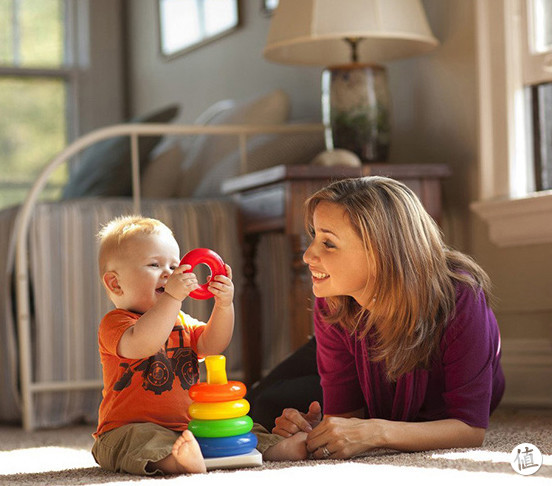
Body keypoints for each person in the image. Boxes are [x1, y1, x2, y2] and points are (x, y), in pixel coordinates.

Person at [271, 176, 505, 460]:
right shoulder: (333, 302)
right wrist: (322, 431)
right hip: (356, 344)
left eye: (328, 244)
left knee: (276, 400)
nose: (308, 255)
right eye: (314, 238)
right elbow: (346, 416)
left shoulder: (461, 299)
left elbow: (469, 429)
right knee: (266, 404)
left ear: (381, 253)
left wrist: (375, 433)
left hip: (403, 369)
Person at [91, 216, 305, 476]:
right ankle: (176, 462)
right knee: (142, 441)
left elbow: (213, 344)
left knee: (239, 428)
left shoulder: (181, 321)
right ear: (116, 283)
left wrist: (224, 305)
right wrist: (171, 297)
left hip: (188, 427)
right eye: (154, 264)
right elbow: (143, 344)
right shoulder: (115, 324)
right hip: (127, 428)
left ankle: (277, 448)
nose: (169, 273)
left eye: (174, 265)